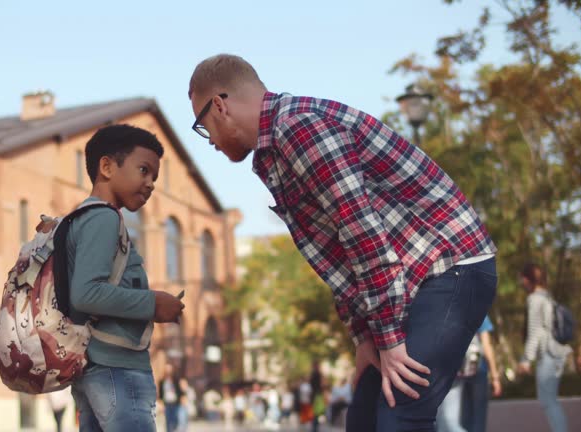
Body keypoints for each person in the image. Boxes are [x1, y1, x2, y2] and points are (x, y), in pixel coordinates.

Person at [187, 54, 497, 432]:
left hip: (451, 267)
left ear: (219, 105)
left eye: (204, 127)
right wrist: (365, 337)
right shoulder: (273, 151)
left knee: (401, 414)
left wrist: (388, 336)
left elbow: (361, 231)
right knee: (363, 420)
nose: (211, 143)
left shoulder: (298, 128)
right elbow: (337, 255)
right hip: (412, 278)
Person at [67, 124, 186, 432]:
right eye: (143, 170)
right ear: (106, 166)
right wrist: (153, 304)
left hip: (98, 367)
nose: (150, 184)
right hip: (116, 369)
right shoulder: (103, 218)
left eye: (154, 178)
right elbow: (86, 293)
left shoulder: (86, 217)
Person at [518, 263, 572, 432]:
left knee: (548, 401)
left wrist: (526, 359)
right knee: (550, 400)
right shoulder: (548, 297)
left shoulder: (535, 299)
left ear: (527, 279)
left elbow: (535, 330)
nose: (521, 282)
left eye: (521, 278)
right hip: (558, 353)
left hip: (548, 354)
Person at [436, 316, 502, 432]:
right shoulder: (480, 312)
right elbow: (487, 346)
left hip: (455, 370)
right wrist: (495, 376)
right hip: (478, 367)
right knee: (478, 417)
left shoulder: (450, 309)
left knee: (455, 418)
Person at [159, 364, 183, 432]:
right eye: (167, 369)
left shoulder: (175, 380)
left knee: (175, 419)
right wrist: (161, 403)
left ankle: (174, 429)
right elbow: (160, 394)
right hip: (166, 403)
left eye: (169, 369)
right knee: (168, 419)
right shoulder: (162, 381)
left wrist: (182, 398)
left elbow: (179, 391)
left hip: (175, 402)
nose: (168, 371)